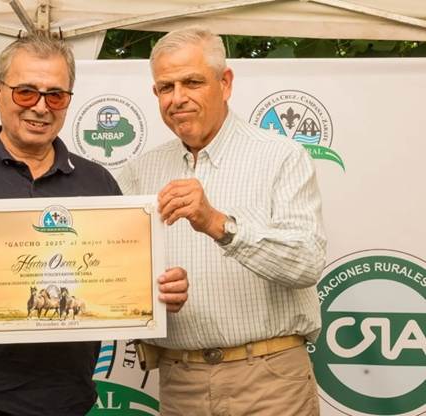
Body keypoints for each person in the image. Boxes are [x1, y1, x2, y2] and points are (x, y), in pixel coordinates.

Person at [0, 33, 188, 416]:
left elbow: (122, 282)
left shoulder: (97, 183)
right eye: (26, 92)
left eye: (55, 95)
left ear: (68, 101)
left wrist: (159, 293)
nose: (40, 107)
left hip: (65, 403)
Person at [117, 27, 326, 415]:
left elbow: (307, 263)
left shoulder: (280, 156)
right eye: (166, 87)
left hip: (269, 382)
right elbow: (114, 271)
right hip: (180, 382)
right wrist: (150, 294)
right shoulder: (139, 171)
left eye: (192, 82)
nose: (178, 98)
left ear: (225, 83)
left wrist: (218, 224)